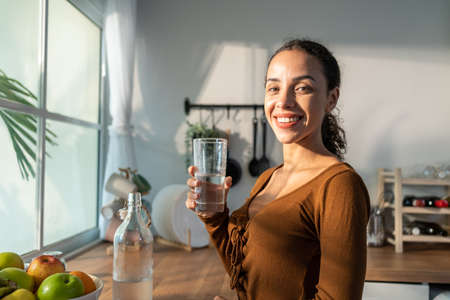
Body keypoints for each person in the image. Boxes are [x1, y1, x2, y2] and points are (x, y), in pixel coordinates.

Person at [186, 39, 370, 300]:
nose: (283, 101)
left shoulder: (339, 186)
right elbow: (247, 270)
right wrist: (214, 216)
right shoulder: (268, 177)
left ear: (331, 98)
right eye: (274, 88)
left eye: (302, 88)